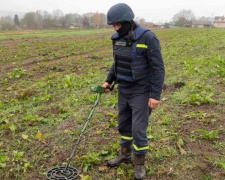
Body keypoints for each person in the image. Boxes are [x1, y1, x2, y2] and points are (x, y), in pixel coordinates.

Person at [102, 3, 165, 179]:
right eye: (113, 25)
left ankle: (139, 163)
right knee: (124, 123)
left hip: (141, 89)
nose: (115, 28)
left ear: (128, 21)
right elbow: (117, 62)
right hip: (123, 88)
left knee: (138, 128)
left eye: (118, 24)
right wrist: (108, 81)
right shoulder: (117, 38)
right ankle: (125, 154)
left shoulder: (147, 38)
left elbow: (158, 68)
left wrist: (155, 95)